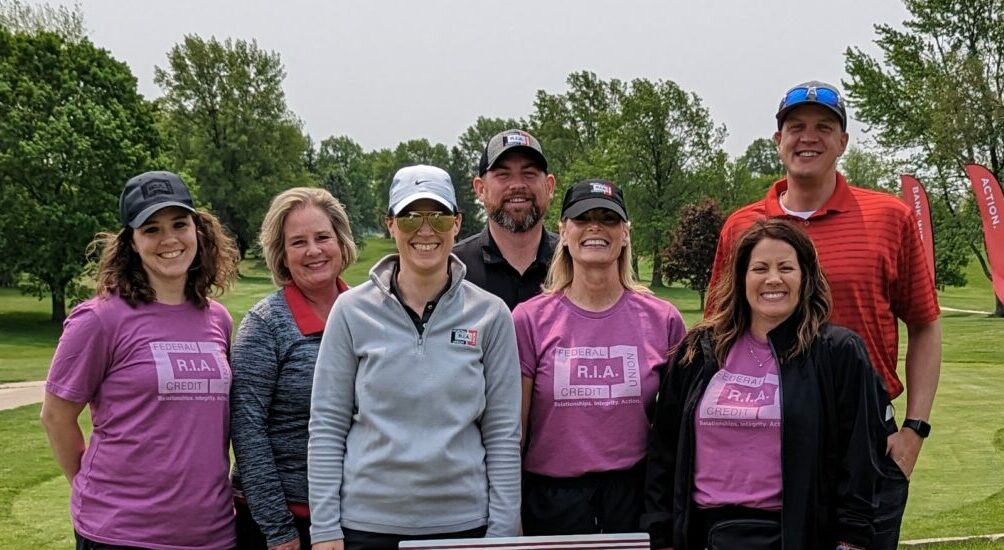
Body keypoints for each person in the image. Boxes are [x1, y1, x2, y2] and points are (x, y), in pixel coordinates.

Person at [708, 80, 941, 549]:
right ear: (778, 141)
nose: (807, 137)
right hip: (767, 432)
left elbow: (924, 323)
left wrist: (915, 429)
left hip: (866, 434)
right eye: (795, 127)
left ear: (843, 142)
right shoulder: (743, 226)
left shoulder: (889, 217)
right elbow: (721, 330)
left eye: (823, 127)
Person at [308, 164, 522, 550]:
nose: (425, 231)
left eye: (438, 217)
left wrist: (503, 531)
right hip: (368, 527)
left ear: (457, 223)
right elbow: (327, 426)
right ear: (390, 224)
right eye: (410, 218)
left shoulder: (491, 315)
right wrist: (325, 530)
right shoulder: (350, 311)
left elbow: (503, 434)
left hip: (463, 526)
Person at [645, 219, 889, 550]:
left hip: (797, 534)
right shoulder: (700, 350)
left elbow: (860, 458)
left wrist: (852, 541)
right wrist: (661, 536)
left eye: (786, 267)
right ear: (742, 279)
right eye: (760, 268)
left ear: (805, 278)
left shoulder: (837, 353)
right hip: (705, 534)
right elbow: (664, 450)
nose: (773, 279)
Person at [40, 171, 240, 549]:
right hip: (120, 533)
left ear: (198, 230)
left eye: (179, 224)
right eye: (151, 229)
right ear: (131, 242)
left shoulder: (218, 319)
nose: (169, 239)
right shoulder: (99, 319)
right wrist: (94, 490)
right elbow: (56, 416)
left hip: (211, 533)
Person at [514, 180, 686, 535]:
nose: (595, 227)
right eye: (582, 218)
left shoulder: (663, 319)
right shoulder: (528, 320)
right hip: (550, 500)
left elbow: (676, 433)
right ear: (563, 231)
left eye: (608, 219)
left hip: (633, 496)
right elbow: (514, 434)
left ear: (624, 233)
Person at [230, 188, 357, 550]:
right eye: (298, 242)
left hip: (355, 517)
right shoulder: (265, 325)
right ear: (282, 254)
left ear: (341, 241)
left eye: (322, 237)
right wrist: (277, 528)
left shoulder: (370, 314)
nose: (314, 251)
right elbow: (247, 429)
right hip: (285, 522)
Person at [454, 128, 558, 309]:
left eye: (529, 173)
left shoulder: (575, 261)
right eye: (503, 175)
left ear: (549, 186)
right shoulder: (454, 269)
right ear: (480, 189)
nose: (517, 185)